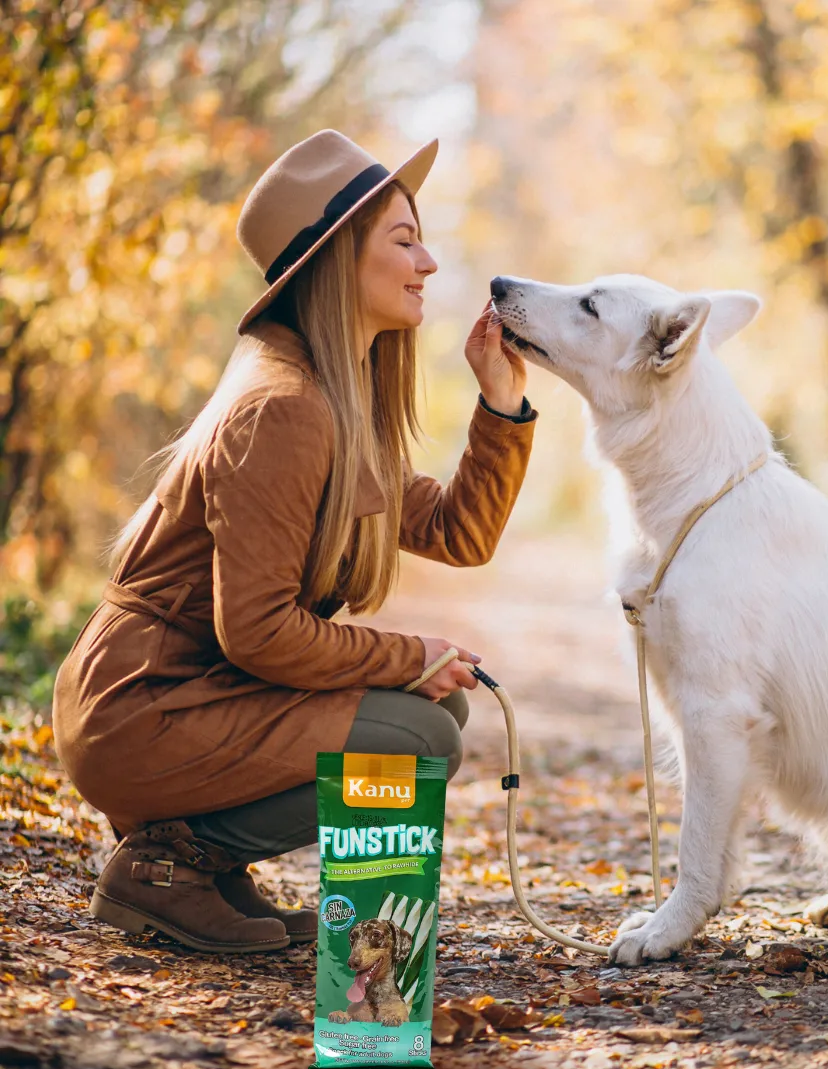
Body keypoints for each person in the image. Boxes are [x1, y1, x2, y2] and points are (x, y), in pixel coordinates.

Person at [51, 130, 536, 954]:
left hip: (189, 694)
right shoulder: (284, 409)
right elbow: (260, 631)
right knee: (422, 735)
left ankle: (203, 866)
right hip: (145, 706)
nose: (430, 264)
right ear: (337, 259)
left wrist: (501, 402)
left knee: (435, 706)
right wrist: (405, 652)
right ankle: (171, 865)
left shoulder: (332, 402)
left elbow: (461, 533)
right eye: (405, 239)